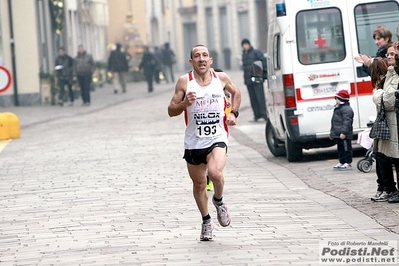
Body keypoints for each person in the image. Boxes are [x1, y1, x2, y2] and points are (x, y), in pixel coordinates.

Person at [167, 44, 241, 241]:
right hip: (193, 142)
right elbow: (171, 110)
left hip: (217, 137)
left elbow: (236, 93)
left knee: (215, 173)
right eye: (197, 56)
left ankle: (219, 201)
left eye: (205, 55)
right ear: (191, 61)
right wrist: (184, 104)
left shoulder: (221, 79)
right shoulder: (184, 82)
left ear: (210, 61)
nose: (201, 59)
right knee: (199, 184)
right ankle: (206, 220)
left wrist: (233, 113)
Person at [371, 44, 399, 203]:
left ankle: (389, 188)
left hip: (393, 122)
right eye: (387, 54)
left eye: (392, 54)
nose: (389, 57)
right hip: (387, 122)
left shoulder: (394, 75)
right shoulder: (389, 74)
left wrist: (378, 94)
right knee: (381, 155)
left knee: (390, 158)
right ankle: (385, 187)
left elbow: (388, 100)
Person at [241, 38, 267, 122]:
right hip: (249, 81)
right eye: (243, 45)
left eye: (246, 44)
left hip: (257, 78)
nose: (244, 46)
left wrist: (264, 74)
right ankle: (256, 115)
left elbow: (263, 62)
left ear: (249, 45)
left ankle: (264, 115)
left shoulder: (256, 53)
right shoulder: (244, 55)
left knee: (260, 98)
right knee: (253, 99)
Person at [330, 89, 354, 171]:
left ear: (342, 99)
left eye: (337, 99)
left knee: (346, 148)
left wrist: (344, 132)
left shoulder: (347, 109)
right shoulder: (337, 109)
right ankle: (342, 161)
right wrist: (332, 134)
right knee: (340, 149)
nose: (336, 100)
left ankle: (348, 162)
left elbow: (347, 122)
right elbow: (334, 122)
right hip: (338, 134)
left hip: (345, 135)